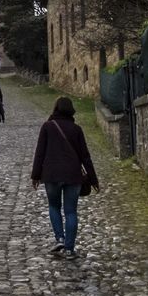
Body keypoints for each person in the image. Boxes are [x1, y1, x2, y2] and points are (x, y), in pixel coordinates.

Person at [31, 96, 99, 258]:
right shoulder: (76, 129)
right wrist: (93, 179)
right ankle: (69, 248)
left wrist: (35, 175)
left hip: (51, 174)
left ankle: (60, 238)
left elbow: (39, 153)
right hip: (72, 175)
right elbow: (85, 157)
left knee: (54, 206)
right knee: (70, 211)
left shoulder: (47, 127)